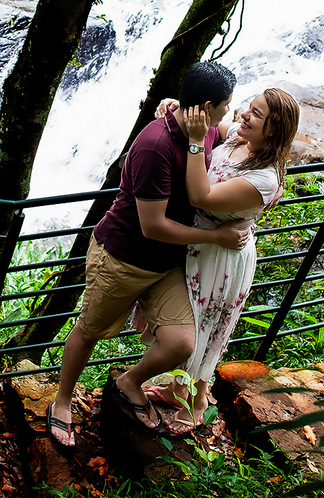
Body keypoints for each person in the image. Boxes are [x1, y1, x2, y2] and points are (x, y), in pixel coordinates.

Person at [47, 62, 250, 448]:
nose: (231, 112)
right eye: (226, 105)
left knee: (181, 342)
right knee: (89, 331)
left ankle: (129, 383)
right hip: (123, 258)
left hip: (167, 264)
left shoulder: (204, 130)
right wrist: (217, 238)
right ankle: (62, 401)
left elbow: (234, 135)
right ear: (207, 106)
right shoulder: (155, 145)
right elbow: (153, 226)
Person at [145, 88, 300, 434]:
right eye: (249, 107)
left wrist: (195, 142)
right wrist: (178, 107)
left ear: (274, 129)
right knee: (190, 321)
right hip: (200, 241)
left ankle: (198, 401)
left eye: (256, 114)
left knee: (206, 326)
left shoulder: (264, 178)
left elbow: (201, 196)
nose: (244, 115)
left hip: (222, 256)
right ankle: (177, 390)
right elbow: (212, 123)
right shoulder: (240, 139)